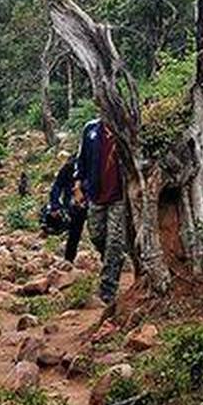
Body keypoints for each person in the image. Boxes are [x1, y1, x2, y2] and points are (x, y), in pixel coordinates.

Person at [74, 118, 128, 305]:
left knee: (114, 241)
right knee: (97, 235)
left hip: (120, 196)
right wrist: (78, 185)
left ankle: (107, 289)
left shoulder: (125, 128)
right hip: (96, 193)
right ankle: (115, 260)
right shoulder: (90, 130)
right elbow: (81, 160)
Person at [43, 151, 89, 262]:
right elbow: (57, 186)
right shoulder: (69, 167)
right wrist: (55, 205)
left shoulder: (93, 165)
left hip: (91, 202)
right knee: (74, 234)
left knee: (91, 233)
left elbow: (57, 186)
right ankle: (68, 261)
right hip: (75, 205)